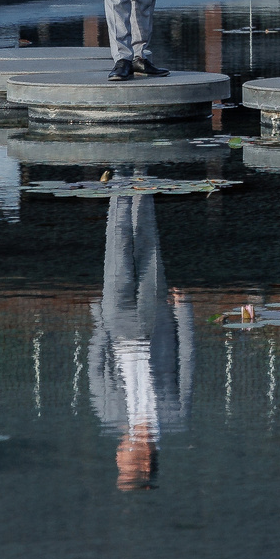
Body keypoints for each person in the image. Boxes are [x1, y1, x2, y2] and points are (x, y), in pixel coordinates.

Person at [87, 193, 194, 491]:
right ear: (145, 462)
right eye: (124, 461)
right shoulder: (175, 418)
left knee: (117, 247)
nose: (117, 454)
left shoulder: (109, 416)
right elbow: (186, 363)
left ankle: (120, 181)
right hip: (155, 324)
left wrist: (98, 320)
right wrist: (184, 314)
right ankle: (142, 176)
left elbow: (96, 369)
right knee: (149, 246)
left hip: (117, 325)